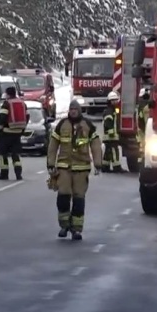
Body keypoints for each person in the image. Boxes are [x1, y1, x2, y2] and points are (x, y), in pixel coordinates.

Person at [47, 98, 103, 240]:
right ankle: (64, 226)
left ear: (79, 111)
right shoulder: (62, 125)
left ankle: (76, 229)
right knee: (63, 196)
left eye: (75, 110)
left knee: (79, 199)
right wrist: (50, 163)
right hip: (64, 167)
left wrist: (98, 163)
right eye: (71, 109)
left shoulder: (87, 125)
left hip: (82, 168)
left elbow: (95, 145)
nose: (73, 112)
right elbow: (53, 145)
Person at [0, 86, 27, 180]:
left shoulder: (6, 103)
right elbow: (27, 115)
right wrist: (22, 128)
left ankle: (4, 174)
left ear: (8, 94)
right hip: (18, 133)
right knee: (15, 154)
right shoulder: (22, 103)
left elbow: (2, 117)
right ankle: (18, 174)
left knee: (2, 154)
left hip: (6, 133)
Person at [102, 91, 122, 173]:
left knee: (108, 151)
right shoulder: (109, 111)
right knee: (114, 150)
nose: (115, 102)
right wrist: (111, 133)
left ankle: (105, 167)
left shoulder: (112, 109)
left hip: (109, 136)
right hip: (111, 136)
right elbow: (108, 122)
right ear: (109, 101)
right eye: (113, 100)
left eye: (116, 100)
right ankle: (117, 167)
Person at [136, 87, 151, 158]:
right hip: (144, 129)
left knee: (141, 146)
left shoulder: (140, 105)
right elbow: (146, 120)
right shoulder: (146, 106)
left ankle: (141, 159)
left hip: (140, 128)